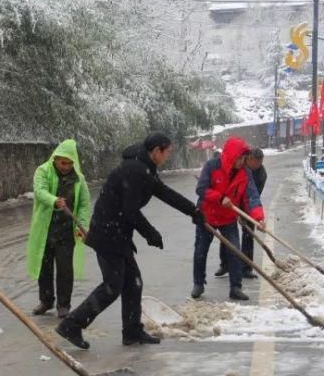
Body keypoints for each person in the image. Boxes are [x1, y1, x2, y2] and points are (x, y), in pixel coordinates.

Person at [56, 132, 204, 349]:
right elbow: (130, 211)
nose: (168, 156)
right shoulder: (134, 170)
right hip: (108, 234)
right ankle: (72, 324)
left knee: (133, 284)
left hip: (118, 234)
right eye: (167, 152)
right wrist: (150, 233)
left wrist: (193, 211)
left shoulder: (144, 168)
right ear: (156, 151)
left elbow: (164, 192)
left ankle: (132, 331)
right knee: (112, 286)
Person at [192, 137, 265, 301]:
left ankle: (235, 287)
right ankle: (198, 283)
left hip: (228, 218)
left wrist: (258, 218)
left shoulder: (245, 173)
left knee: (235, 252)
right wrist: (220, 198)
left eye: (244, 158)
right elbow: (201, 189)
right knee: (200, 251)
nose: (242, 161)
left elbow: (252, 197)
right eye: (240, 158)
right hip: (207, 215)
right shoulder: (212, 166)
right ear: (232, 156)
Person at [26, 139, 91, 319]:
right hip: (45, 229)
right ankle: (46, 301)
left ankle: (64, 305)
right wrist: (53, 200)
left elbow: (84, 204)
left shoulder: (79, 179)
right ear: (55, 159)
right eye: (63, 163)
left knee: (65, 269)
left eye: (70, 163)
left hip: (65, 231)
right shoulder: (43, 171)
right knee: (44, 267)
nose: (66, 167)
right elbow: (40, 191)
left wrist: (82, 225)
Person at [215, 147, 267, 279]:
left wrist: (250, 214)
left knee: (248, 234)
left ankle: (246, 268)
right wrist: (234, 209)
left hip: (248, 205)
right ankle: (225, 264)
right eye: (256, 162)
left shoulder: (261, 174)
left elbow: (254, 195)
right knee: (227, 234)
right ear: (249, 159)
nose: (258, 165)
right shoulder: (238, 166)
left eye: (260, 162)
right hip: (231, 202)